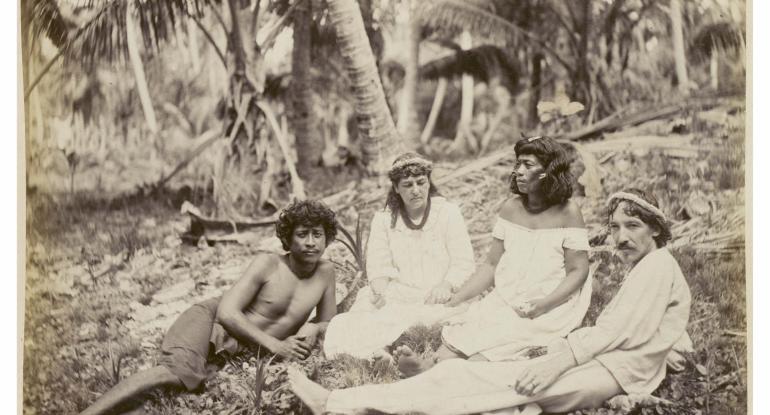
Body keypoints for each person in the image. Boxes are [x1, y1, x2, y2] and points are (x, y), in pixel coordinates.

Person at [288, 188, 692, 415]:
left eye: (633, 226)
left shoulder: (657, 265)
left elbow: (615, 330)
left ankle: (338, 404)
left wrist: (560, 359)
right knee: (487, 391)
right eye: (616, 227)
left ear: (657, 230)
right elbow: (656, 326)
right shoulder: (656, 268)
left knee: (470, 382)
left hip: (603, 372)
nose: (621, 237)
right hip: (609, 369)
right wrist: (666, 352)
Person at [80, 200, 340, 415]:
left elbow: (329, 321)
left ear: (326, 238)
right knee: (174, 374)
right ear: (288, 238)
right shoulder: (269, 264)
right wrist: (275, 346)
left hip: (237, 345)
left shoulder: (326, 273)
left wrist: (315, 328)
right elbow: (227, 313)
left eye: (317, 234)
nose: (310, 242)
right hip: (210, 320)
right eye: (302, 234)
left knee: (186, 387)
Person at [395, 135, 591, 375]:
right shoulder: (512, 208)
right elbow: (491, 265)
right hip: (511, 294)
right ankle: (431, 366)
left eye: (527, 165)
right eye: (517, 164)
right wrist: (457, 299)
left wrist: (543, 304)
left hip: (550, 299)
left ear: (548, 171)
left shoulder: (568, 212)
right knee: (473, 326)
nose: (518, 171)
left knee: (503, 340)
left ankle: (442, 374)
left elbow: (578, 270)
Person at [322, 152, 476, 359]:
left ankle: (387, 345)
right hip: (400, 293)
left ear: (429, 183)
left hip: (438, 294)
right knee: (364, 311)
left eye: (421, 182)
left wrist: (446, 285)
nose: (415, 190)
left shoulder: (448, 213)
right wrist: (380, 292)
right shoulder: (384, 220)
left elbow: (463, 261)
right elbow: (378, 264)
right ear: (396, 188)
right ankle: (377, 352)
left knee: (445, 315)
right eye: (407, 185)